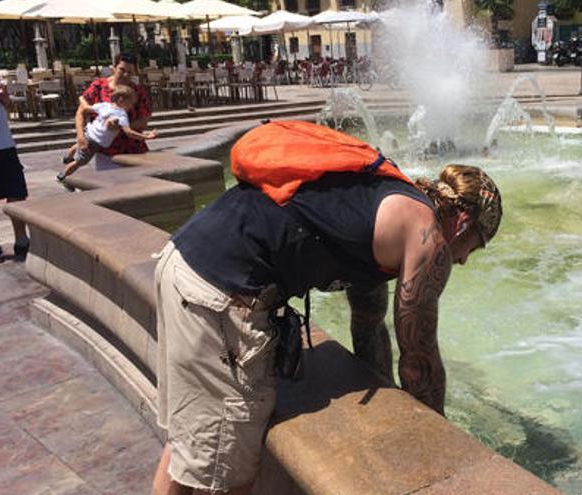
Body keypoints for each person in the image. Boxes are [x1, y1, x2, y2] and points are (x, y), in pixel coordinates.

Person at [151, 122, 502, 495]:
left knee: (187, 448)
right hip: (220, 296)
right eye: (474, 247)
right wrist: (441, 447)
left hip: (183, 261)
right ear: (463, 223)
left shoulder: (383, 197)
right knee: (229, 474)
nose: (463, 260)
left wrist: (387, 397)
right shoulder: (427, 237)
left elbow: (368, 323)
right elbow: (419, 360)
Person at [57, 85, 158, 190]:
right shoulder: (122, 115)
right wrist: (146, 137)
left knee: (79, 145)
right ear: (121, 100)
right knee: (80, 162)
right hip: (95, 141)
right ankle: (63, 176)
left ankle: (67, 158)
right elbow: (129, 133)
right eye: (130, 103)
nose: (131, 107)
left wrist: (81, 98)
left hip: (89, 132)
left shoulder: (105, 105)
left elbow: (87, 108)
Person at [74, 52, 152, 171]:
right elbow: (81, 111)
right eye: (122, 69)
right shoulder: (98, 86)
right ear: (114, 67)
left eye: (130, 72)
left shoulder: (138, 92)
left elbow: (143, 121)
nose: (125, 74)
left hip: (134, 151)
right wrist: (80, 137)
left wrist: (119, 127)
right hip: (106, 152)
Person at [0, 63, 28, 265]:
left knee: (17, 193)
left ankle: (21, 239)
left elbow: (7, 107)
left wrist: (5, 99)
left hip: (5, 144)